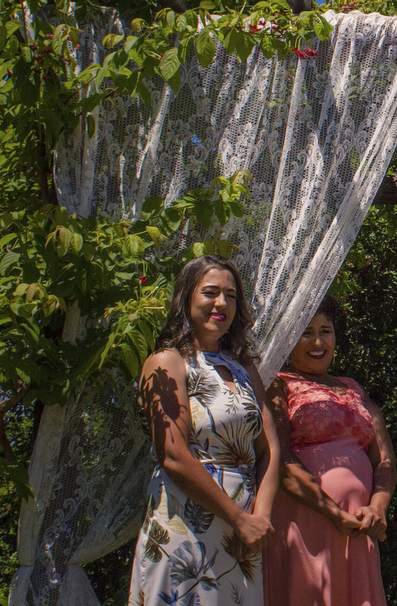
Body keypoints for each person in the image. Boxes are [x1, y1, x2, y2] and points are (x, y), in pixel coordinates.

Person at [130, 255, 282, 606]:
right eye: (211, 293)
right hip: (186, 522)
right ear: (186, 298)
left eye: (231, 296)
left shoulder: (244, 368)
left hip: (244, 535)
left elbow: (270, 448)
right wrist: (238, 518)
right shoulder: (167, 362)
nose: (222, 303)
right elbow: (173, 455)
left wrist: (260, 517)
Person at [264, 294, 396, 606]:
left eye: (326, 331)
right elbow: (280, 459)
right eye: (306, 332)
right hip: (306, 518)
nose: (318, 341)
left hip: (357, 524)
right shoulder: (278, 385)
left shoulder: (353, 388)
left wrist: (378, 507)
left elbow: (384, 458)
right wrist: (333, 512)